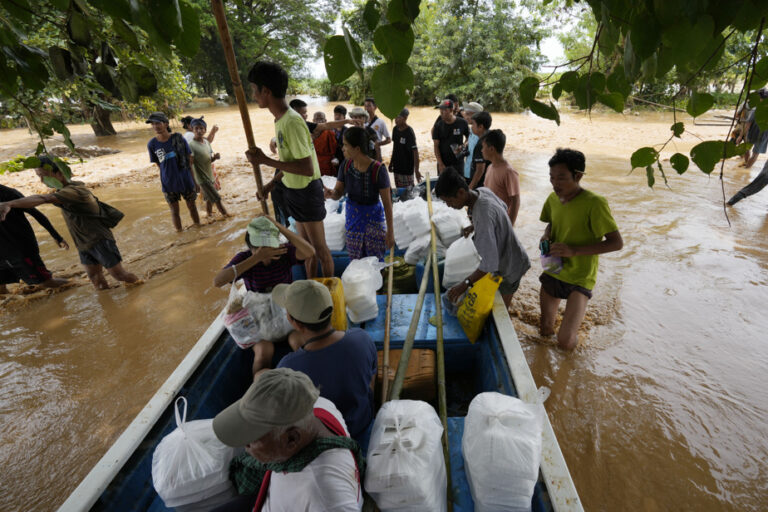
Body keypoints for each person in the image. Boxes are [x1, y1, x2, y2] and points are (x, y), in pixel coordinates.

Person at [212, 368, 364, 512]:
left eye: (253, 437)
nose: (246, 444)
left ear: (292, 439)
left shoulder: (321, 495)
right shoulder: (317, 405)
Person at [245, 61, 333, 279]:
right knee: (305, 251)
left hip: (306, 191)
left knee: (319, 250)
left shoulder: (292, 122)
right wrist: (271, 184)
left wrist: (265, 160)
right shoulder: (280, 120)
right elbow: (290, 162)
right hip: (294, 190)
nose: (254, 96)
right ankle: (313, 286)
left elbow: (305, 167)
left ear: (266, 90)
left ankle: (331, 291)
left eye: (255, 90)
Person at [0, 156, 139, 290]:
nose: (42, 181)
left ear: (60, 173)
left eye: (44, 176)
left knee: (120, 275)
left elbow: (43, 198)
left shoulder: (75, 191)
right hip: (84, 244)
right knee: (95, 278)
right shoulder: (62, 190)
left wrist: (9, 204)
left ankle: (141, 286)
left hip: (100, 241)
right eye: (39, 176)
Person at [539, 148, 623, 350]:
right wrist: (546, 235)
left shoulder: (595, 203)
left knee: (565, 341)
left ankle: (577, 360)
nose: (554, 183)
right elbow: (551, 223)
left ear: (578, 176)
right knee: (544, 330)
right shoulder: (552, 199)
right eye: (551, 177)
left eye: (561, 178)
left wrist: (574, 251)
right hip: (554, 267)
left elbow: (616, 243)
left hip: (580, 276)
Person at [273, 280, 377, 441]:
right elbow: (371, 380)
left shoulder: (288, 368)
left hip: (326, 440)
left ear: (294, 322)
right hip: (362, 422)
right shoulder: (362, 338)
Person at [213, 215, 315, 374]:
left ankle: (311, 380)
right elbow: (218, 281)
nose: (267, 255)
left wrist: (277, 225)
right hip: (260, 320)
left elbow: (309, 251)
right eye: (261, 249)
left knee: (298, 341)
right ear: (251, 247)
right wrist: (256, 258)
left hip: (288, 315)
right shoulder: (245, 258)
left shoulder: (283, 252)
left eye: (270, 247)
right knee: (263, 352)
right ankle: (262, 390)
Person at [437, 167, 529, 309]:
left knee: (501, 308)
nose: (449, 205)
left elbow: (489, 264)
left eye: (449, 201)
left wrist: (464, 284)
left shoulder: (483, 214)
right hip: (513, 254)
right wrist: (475, 225)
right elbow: (502, 207)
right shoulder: (482, 191)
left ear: (461, 192)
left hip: (509, 267)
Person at [325, 127, 394, 259]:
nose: (342, 148)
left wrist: (390, 232)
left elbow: (387, 204)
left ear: (357, 149)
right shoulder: (345, 166)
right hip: (353, 219)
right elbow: (338, 192)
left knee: (375, 262)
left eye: (345, 145)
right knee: (356, 261)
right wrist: (331, 194)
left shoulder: (378, 170)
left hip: (373, 220)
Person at [0, 183, 69, 294]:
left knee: (46, 283)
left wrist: (56, 235)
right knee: (1, 290)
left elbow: (36, 214)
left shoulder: (8, 193)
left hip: (21, 248)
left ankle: (81, 284)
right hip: (2, 252)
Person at [146, 111, 201, 232]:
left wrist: (195, 182)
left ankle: (199, 229)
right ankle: (179, 234)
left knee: (192, 207)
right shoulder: (152, 144)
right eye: (153, 124)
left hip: (186, 179)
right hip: (169, 183)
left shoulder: (179, 138)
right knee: (174, 211)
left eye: (158, 123)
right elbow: (159, 165)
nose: (155, 126)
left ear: (166, 124)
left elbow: (189, 162)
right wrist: (167, 177)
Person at [188, 117, 228, 218]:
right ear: (192, 130)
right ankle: (227, 216)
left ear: (205, 130)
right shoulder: (191, 145)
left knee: (210, 199)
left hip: (210, 175)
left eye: (201, 128)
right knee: (217, 198)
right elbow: (190, 164)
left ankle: (209, 215)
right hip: (202, 179)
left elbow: (208, 160)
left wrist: (215, 158)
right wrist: (194, 182)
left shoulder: (206, 143)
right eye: (196, 128)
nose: (199, 131)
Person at [481, 129, 520, 226]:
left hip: (501, 222)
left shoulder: (509, 172)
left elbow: (515, 201)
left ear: (491, 149)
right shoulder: (490, 167)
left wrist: (509, 226)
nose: (481, 150)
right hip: (490, 219)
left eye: (483, 147)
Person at [432, 99, 469, 174]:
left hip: (458, 162)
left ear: (451, 109)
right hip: (443, 163)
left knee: (459, 184)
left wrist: (463, 146)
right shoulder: (438, 126)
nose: (441, 112)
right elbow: (436, 146)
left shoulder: (462, 122)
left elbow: (469, 137)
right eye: (440, 110)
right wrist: (440, 164)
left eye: (444, 110)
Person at [389, 108, 421, 188]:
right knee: (399, 190)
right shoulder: (395, 129)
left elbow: (415, 152)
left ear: (405, 118)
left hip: (407, 169)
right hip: (397, 167)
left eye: (398, 117)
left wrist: (416, 170)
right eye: (395, 117)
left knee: (409, 192)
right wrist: (391, 162)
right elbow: (395, 147)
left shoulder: (409, 132)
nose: (396, 120)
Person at [468, 111, 492, 189]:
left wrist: (470, 188)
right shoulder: (491, 136)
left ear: (481, 127)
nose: (471, 127)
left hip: (481, 186)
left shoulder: (481, 145)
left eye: (473, 124)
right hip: (490, 182)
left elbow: (480, 170)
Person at [311, 111, 338, 177]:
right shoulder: (308, 133)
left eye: (321, 119)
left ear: (325, 120)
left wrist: (335, 159)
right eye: (317, 119)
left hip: (327, 164)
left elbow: (334, 150)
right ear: (313, 121)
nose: (319, 121)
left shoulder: (330, 133)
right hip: (313, 162)